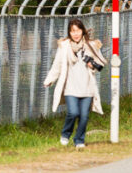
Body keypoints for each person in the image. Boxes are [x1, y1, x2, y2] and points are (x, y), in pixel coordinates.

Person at [44, 19, 107, 149]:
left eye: (78, 30)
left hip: (87, 88)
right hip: (70, 87)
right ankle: (65, 134)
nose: (76, 34)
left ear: (82, 30)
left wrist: (92, 65)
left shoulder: (91, 45)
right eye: (73, 31)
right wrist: (50, 79)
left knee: (84, 116)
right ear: (69, 32)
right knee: (73, 113)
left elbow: (100, 63)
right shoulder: (65, 46)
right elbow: (57, 65)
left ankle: (79, 140)